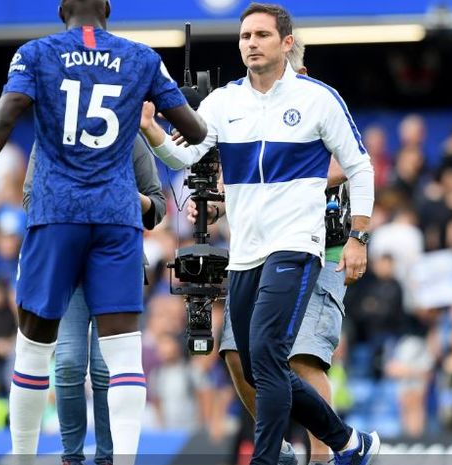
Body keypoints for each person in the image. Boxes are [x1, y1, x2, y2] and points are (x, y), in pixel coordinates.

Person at [0, 0, 207, 460]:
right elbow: (194, 128)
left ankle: (23, 458)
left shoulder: (36, 52)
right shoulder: (142, 57)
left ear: (62, 8)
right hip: (115, 218)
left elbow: (3, 118)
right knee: (122, 357)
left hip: (57, 212)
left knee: (33, 351)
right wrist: (168, 122)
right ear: (107, 8)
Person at [140, 4, 377, 465]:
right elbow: (184, 160)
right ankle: (349, 442)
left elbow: (359, 165)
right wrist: (151, 129)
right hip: (246, 252)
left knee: (272, 354)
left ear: (286, 43)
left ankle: (269, 459)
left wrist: (358, 236)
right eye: (246, 35)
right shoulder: (224, 102)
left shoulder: (318, 98)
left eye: (262, 35)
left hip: (298, 244)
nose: (251, 42)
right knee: (249, 363)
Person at [23, 133, 167, 465]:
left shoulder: (130, 135)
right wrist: (68, 206)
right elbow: (30, 198)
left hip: (117, 264)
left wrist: (125, 198)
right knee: (70, 362)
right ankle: (71, 458)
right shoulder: (50, 134)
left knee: (107, 368)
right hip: (68, 265)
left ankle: (108, 458)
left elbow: (156, 206)